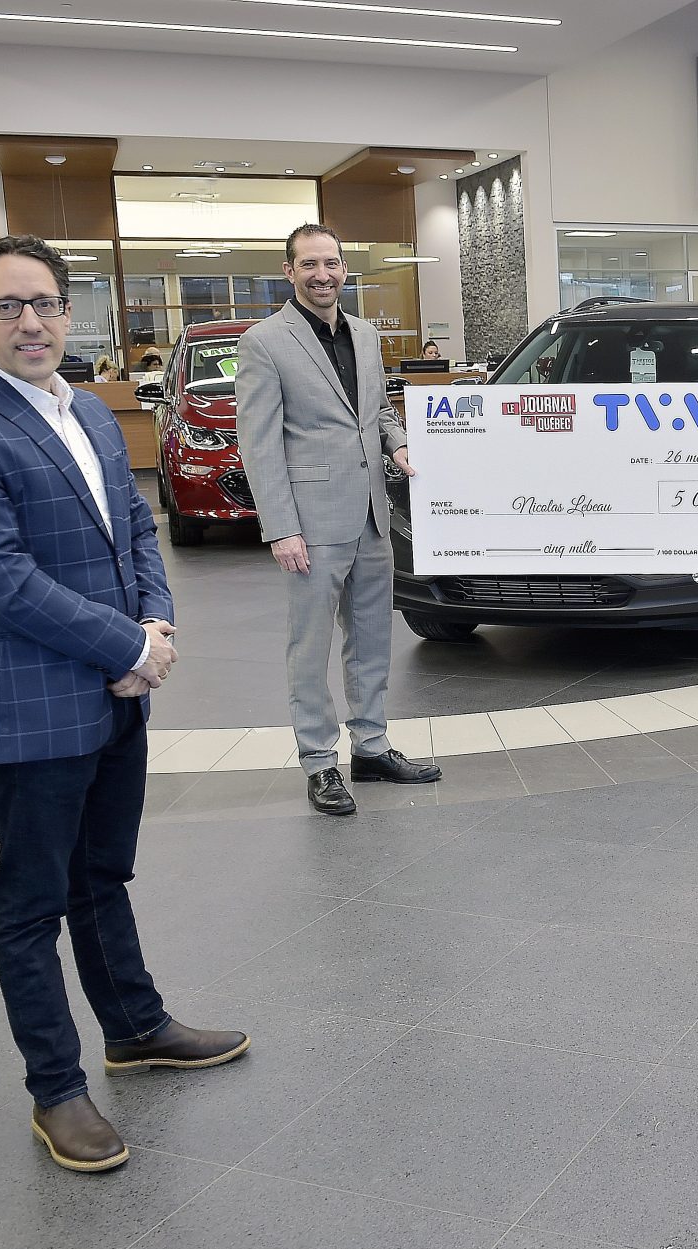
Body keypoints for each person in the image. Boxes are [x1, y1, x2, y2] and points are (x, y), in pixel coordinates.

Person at [0, 235, 249, 1173]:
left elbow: (137, 527)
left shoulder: (92, 411)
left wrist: (155, 619)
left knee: (104, 876)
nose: (32, 321)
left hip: (120, 694)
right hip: (37, 707)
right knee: (31, 904)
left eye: (47, 303)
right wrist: (130, 647)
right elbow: (3, 580)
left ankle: (134, 1025)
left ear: (68, 311)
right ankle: (55, 1088)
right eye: (8, 305)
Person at [238, 223, 441, 815]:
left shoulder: (366, 335)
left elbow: (374, 413)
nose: (323, 275)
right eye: (309, 265)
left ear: (344, 268)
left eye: (332, 263)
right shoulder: (265, 342)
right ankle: (319, 762)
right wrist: (281, 527)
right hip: (311, 521)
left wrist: (398, 444)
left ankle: (372, 747)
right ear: (289, 271)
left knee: (373, 639)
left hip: (374, 516)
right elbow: (260, 443)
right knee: (311, 647)